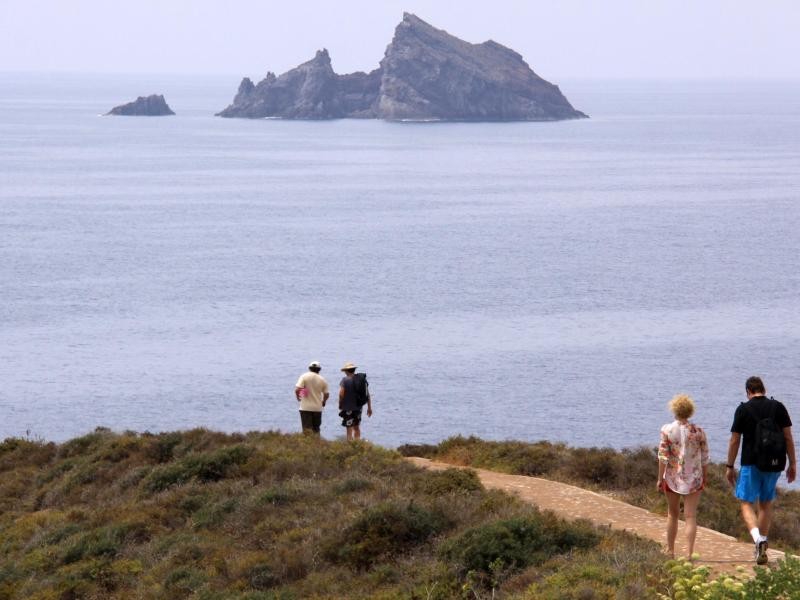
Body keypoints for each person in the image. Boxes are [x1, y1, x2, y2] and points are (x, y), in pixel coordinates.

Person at [726, 376, 796, 565]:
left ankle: (758, 539)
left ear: (748, 391)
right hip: (774, 464)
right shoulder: (778, 407)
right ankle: (762, 544)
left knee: (746, 502)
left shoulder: (743, 409)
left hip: (751, 464)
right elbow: (788, 437)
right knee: (765, 504)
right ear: (763, 389)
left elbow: (734, 440)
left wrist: (730, 466)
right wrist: (793, 464)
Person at [657, 394, 709, 559]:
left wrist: (660, 478)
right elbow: (705, 458)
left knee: (672, 514)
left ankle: (670, 550)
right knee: (690, 516)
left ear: (674, 409)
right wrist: (704, 477)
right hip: (694, 478)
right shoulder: (699, 431)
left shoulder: (667, 430)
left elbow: (663, 457)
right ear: (690, 411)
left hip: (672, 477)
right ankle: (689, 552)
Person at [338, 362, 372, 441]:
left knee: (349, 427)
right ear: (353, 370)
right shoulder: (361, 380)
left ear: (346, 371)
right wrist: (369, 408)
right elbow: (368, 395)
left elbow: (341, 394)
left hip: (348, 408)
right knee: (356, 427)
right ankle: (357, 443)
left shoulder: (345, 380)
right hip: (358, 408)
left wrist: (340, 404)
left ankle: (350, 444)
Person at [294, 361, 329, 435]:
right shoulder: (322, 379)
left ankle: (308, 445)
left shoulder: (304, 376)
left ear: (309, 368)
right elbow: (326, 394)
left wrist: (298, 397)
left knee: (307, 430)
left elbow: (297, 389)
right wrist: (324, 401)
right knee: (316, 430)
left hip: (305, 408)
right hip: (317, 408)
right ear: (319, 370)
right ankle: (317, 445)